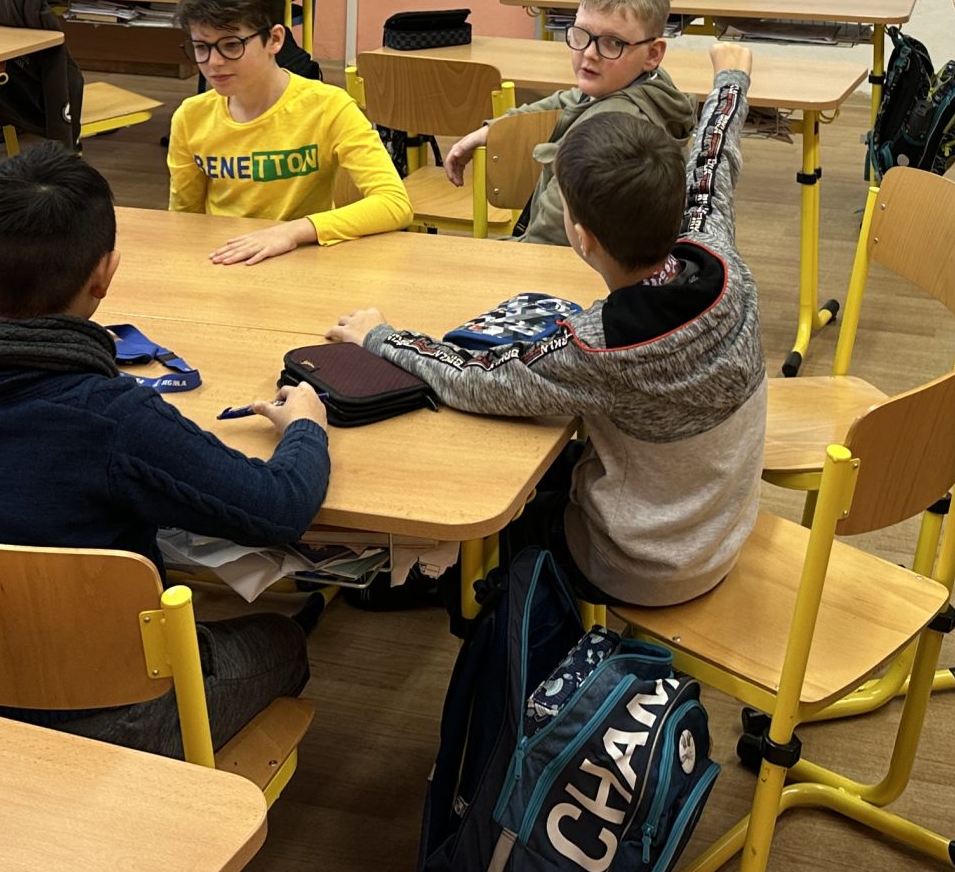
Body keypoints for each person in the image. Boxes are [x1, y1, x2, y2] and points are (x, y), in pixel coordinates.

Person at [0, 144, 327, 755]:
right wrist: (307, 428)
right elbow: (281, 507)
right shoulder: (114, 418)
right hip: (111, 714)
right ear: (105, 275)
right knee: (282, 639)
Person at [326, 44, 765, 607]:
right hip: (720, 533)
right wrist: (731, 78)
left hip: (637, 565)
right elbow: (713, 155)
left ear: (581, 237)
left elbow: (477, 379)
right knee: (554, 456)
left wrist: (380, 337)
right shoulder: (719, 255)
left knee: (494, 492)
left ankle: (437, 588)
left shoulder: (599, 349)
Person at [166, 0, 410, 263]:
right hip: (226, 260)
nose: (213, 62)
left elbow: (393, 203)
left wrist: (293, 231)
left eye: (231, 45)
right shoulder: (190, 117)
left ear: (275, 39)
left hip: (303, 259)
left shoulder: (328, 107)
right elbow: (184, 221)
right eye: (201, 47)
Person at [442, 0, 696, 245]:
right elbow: (571, 100)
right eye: (580, 33)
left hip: (563, 263)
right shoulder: (645, 85)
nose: (589, 54)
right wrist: (492, 130)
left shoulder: (608, 136)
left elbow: (547, 243)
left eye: (613, 43)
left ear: (653, 53)